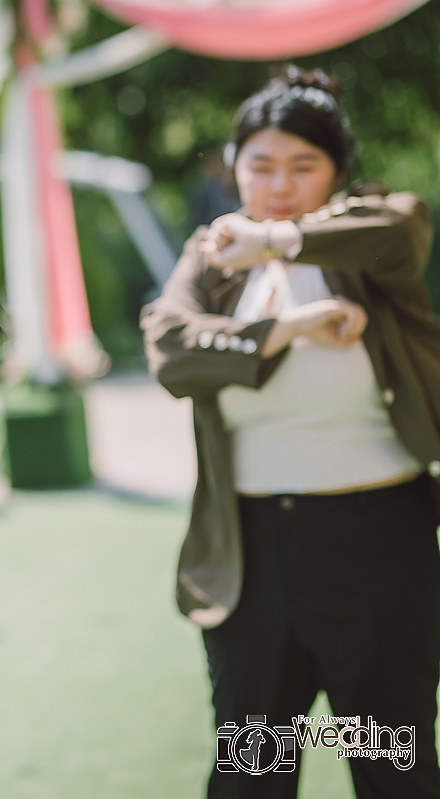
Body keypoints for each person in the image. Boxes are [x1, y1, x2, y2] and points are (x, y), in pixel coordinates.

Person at [142, 66, 440, 798]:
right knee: (252, 772)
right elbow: (172, 350)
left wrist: (276, 240)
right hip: (253, 552)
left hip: (380, 540)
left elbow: (399, 232)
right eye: (261, 166)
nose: (279, 184)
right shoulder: (214, 256)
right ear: (235, 166)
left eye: (304, 166)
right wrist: (288, 328)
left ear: (338, 171)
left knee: (395, 763)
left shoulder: (372, 227)